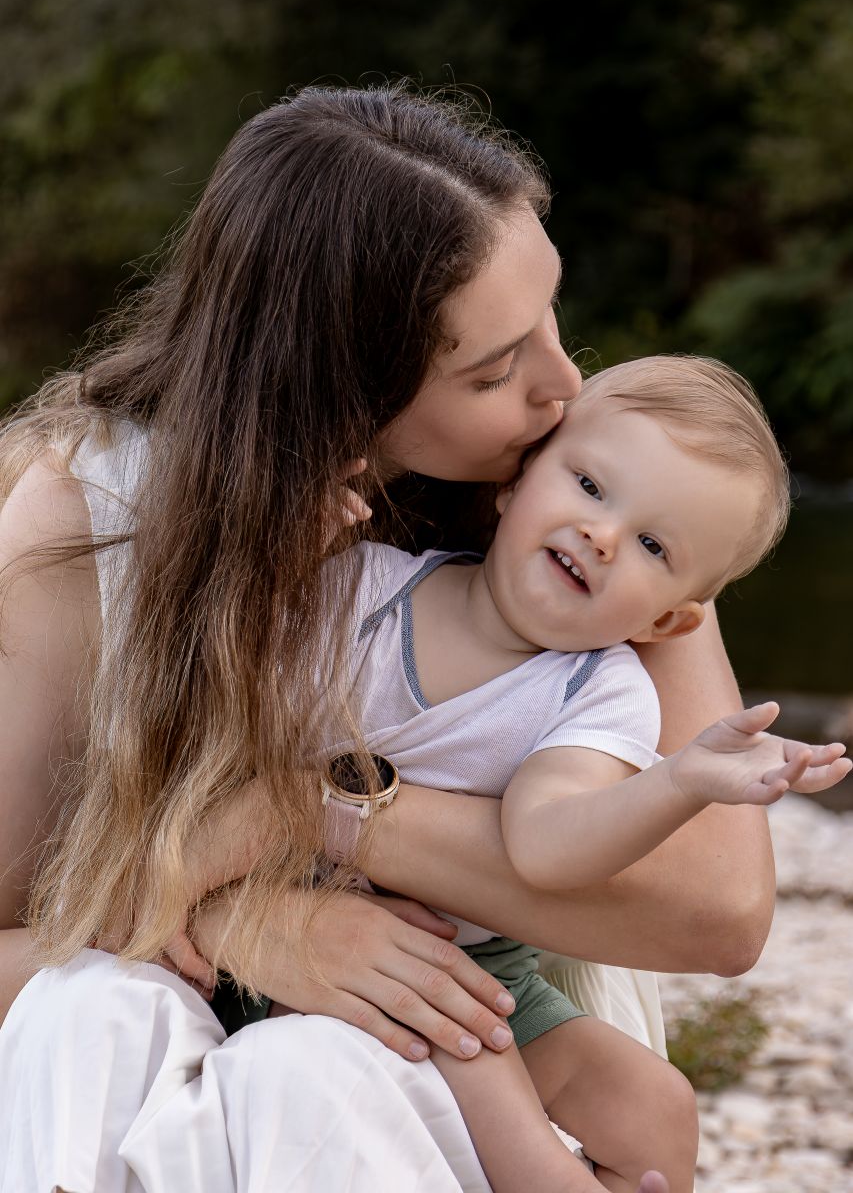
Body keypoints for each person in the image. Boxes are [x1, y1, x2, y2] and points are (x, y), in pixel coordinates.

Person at [0, 85, 774, 1193]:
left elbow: (720, 909)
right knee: (129, 1024)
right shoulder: (85, 518)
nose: (565, 383)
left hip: (464, 1046)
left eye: (551, 317)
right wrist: (248, 927)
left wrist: (322, 810)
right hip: (159, 1062)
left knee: (324, 1076)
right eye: (496, 369)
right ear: (340, 396)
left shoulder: (594, 497)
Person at [294, 354, 848, 1193]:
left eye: (653, 544)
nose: (602, 534)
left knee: (657, 1107)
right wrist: (282, 557)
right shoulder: (361, 591)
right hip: (304, 931)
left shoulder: (598, 693)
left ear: (669, 618)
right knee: (512, 1128)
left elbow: (546, 847)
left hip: (483, 963)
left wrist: (680, 781)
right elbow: (227, 712)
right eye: (590, 487)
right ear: (512, 486)